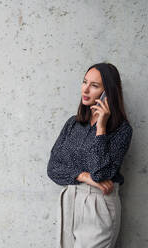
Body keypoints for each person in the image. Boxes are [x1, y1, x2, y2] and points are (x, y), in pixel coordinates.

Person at [47, 62, 133, 248]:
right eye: (84, 82)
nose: (85, 89)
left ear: (107, 93)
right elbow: (53, 168)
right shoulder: (73, 124)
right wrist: (85, 176)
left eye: (94, 86)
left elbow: (101, 173)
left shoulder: (122, 130)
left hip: (98, 203)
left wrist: (101, 127)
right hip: (70, 201)